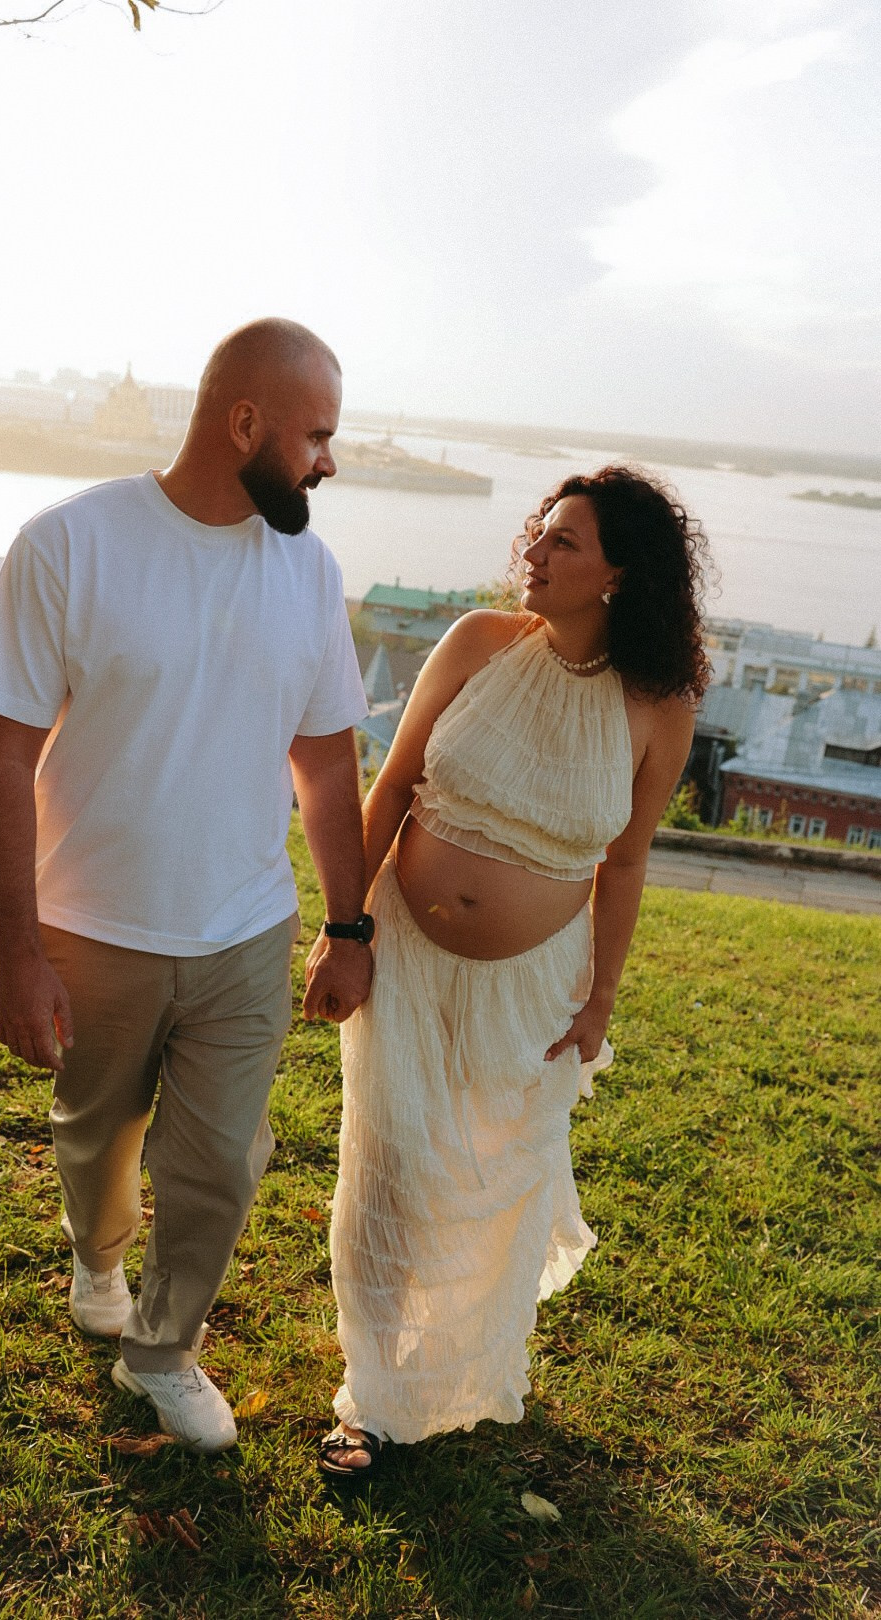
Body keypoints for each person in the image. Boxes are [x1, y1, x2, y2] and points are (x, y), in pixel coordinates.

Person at [0, 317, 375, 1456]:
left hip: (246, 929)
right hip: (92, 926)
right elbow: (2, 755)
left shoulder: (310, 569)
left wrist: (349, 923)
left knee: (219, 1166)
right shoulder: (70, 543)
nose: (328, 463)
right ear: (243, 423)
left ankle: (163, 1348)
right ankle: (96, 1255)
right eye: (316, 437)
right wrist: (18, 950)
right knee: (96, 1137)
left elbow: (327, 763)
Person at [316, 464, 711, 1476]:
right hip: (401, 951)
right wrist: (346, 931)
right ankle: (373, 1400)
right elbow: (391, 785)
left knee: (486, 1171)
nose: (532, 551)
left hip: (537, 983)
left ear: (619, 574)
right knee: (392, 1165)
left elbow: (624, 862)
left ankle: (455, 1368)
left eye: (563, 541)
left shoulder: (659, 706)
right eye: (539, 531)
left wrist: (601, 999)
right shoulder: (476, 644)